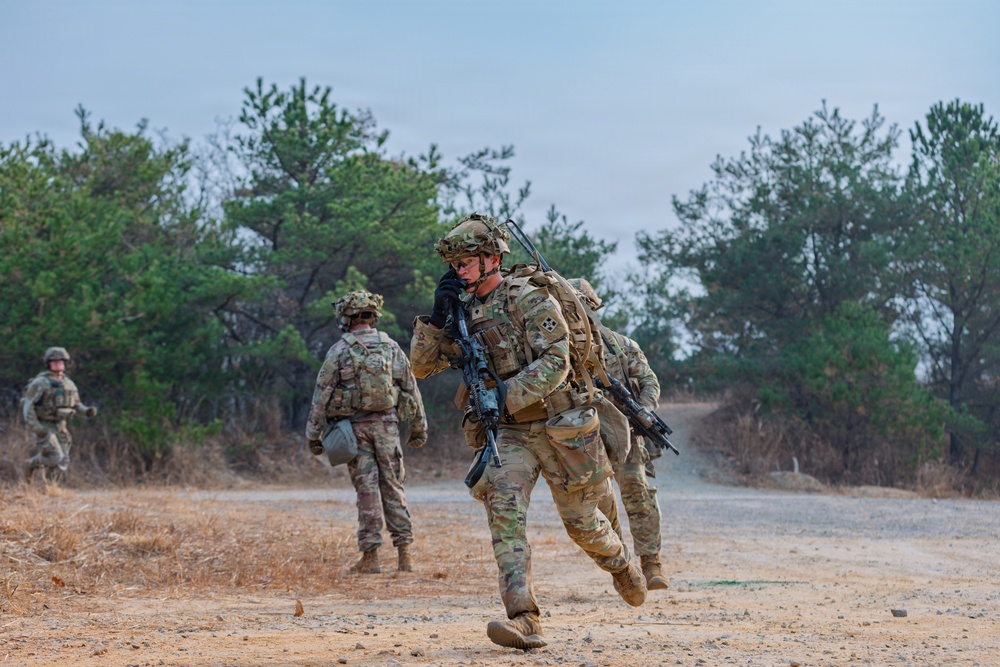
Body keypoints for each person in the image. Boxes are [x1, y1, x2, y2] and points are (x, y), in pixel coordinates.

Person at [410, 213, 645, 651]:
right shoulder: (463, 312)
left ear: (492, 259)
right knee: (504, 516)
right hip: (511, 433)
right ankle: (524, 619)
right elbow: (421, 367)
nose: (458, 270)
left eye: (466, 262)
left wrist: (505, 393)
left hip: (560, 424)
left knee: (582, 525)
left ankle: (620, 564)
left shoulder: (528, 297)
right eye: (454, 264)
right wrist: (438, 317)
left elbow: (557, 360)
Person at [305, 290, 428, 575]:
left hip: (355, 430)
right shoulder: (391, 347)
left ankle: (371, 557)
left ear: (346, 318)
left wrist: (313, 434)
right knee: (394, 486)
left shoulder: (339, 351)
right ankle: (405, 555)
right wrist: (419, 428)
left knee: (367, 490)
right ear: (373, 316)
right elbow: (411, 389)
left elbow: (321, 395)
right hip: (388, 428)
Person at [570, 278, 669, 591]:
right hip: (586, 435)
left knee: (638, 493)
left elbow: (649, 381)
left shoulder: (621, 345)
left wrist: (644, 409)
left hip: (625, 432)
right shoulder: (563, 350)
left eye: (580, 306)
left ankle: (651, 563)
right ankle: (622, 566)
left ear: (592, 306)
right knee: (599, 503)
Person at [22, 346, 98, 483]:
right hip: (44, 425)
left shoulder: (68, 384)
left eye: (61, 362)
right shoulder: (40, 383)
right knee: (56, 457)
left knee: (63, 461)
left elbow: (76, 404)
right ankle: (30, 465)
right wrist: (37, 427)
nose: (58, 364)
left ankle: (49, 487)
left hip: (60, 426)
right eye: (54, 362)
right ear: (48, 363)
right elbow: (28, 406)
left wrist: (87, 411)